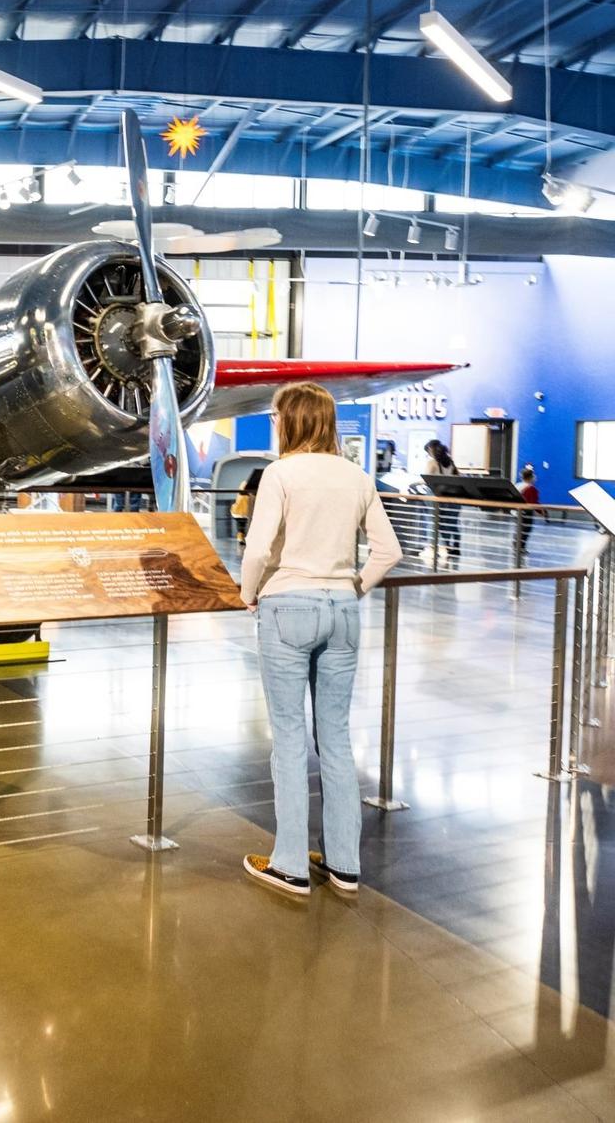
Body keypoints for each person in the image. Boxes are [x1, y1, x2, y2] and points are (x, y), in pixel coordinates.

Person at [239, 382, 402, 898]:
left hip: (288, 606)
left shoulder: (280, 474)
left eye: (275, 416)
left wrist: (248, 594)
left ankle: (289, 863)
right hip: (343, 610)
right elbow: (388, 551)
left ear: (290, 420)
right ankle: (344, 864)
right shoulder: (356, 475)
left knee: (287, 738)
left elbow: (259, 548)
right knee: (334, 737)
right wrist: (352, 586)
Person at [423, 438, 461, 563]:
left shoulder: (432, 463)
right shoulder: (451, 462)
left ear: (431, 450)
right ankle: (453, 547)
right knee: (450, 522)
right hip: (451, 497)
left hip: (436, 496)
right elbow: (458, 478)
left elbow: (426, 479)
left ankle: (438, 548)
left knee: (434, 522)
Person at [515, 463, 546, 567]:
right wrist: (542, 512)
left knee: (519, 528)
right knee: (526, 529)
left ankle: (517, 545)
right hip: (526, 512)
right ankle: (521, 547)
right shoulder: (530, 488)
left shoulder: (518, 485)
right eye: (533, 476)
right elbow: (533, 502)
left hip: (517, 512)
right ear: (531, 477)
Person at [231, 465, 265, 544]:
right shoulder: (252, 488)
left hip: (237, 511)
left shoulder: (243, 484)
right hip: (244, 512)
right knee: (245, 525)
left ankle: (241, 538)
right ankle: (246, 538)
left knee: (241, 526)